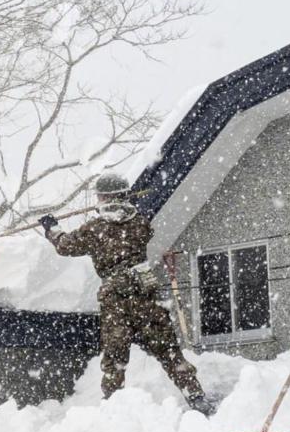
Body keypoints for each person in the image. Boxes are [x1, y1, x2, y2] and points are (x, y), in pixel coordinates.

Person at [38, 173, 215, 416]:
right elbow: (139, 228)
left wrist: (52, 228)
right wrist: (124, 206)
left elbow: (65, 246)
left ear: (103, 197)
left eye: (99, 196)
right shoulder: (139, 223)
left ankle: (113, 408)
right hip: (144, 293)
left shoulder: (95, 229)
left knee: (115, 358)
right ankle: (196, 396)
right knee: (168, 351)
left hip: (116, 299)